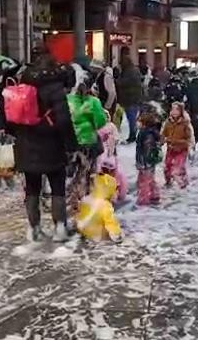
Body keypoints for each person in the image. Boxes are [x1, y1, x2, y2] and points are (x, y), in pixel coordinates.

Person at [11, 47, 77, 242]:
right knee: (57, 186)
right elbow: (64, 120)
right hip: (51, 144)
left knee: (32, 188)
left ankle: (33, 229)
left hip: (26, 143)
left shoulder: (23, 81)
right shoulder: (55, 87)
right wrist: (72, 146)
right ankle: (59, 229)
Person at [67, 77, 108, 213]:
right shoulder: (93, 102)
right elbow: (101, 121)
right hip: (87, 140)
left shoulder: (68, 100)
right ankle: (83, 199)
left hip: (70, 141)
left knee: (70, 170)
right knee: (86, 171)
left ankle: (71, 197)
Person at [75, 173, 123, 243]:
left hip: (84, 231)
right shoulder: (105, 205)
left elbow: (80, 215)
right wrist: (117, 234)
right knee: (107, 222)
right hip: (97, 236)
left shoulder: (85, 199)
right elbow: (111, 222)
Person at [95, 110, 127, 203]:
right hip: (100, 154)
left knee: (112, 174)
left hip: (109, 154)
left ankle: (113, 192)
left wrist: (111, 140)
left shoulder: (111, 126)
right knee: (100, 173)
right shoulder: (96, 126)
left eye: (106, 116)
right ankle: (102, 192)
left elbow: (116, 138)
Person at [161, 101, 192, 189]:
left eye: (176, 110)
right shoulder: (168, 122)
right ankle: (168, 181)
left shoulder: (185, 123)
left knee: (178, 167)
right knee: (167, 166)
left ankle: (183, 182)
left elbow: (188, 138)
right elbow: (164, 133)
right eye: (172, 109)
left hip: (182, 150)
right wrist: (162, 140)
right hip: (170, 149)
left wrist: (179, 142)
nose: (174, 112)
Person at [135, 108, 162, 205]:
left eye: (138, 121)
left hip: (146, 161)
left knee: (144, 181)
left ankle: (143, 198)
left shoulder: (146, 134)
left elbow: (147, 149)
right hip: (147, 161)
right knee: (149, 179)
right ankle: (154, 194)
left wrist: (144, 162)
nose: (137, 123)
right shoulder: (145, 133)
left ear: (144, 123)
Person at [116, 47, 143, 143]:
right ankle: (133, 134)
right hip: (133, 98)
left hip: (130, 99)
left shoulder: (129, 71)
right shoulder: (134, 70)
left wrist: (117, 81)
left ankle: (132, 135)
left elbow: (124, 83)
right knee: (131, 118)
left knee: (131, 119)